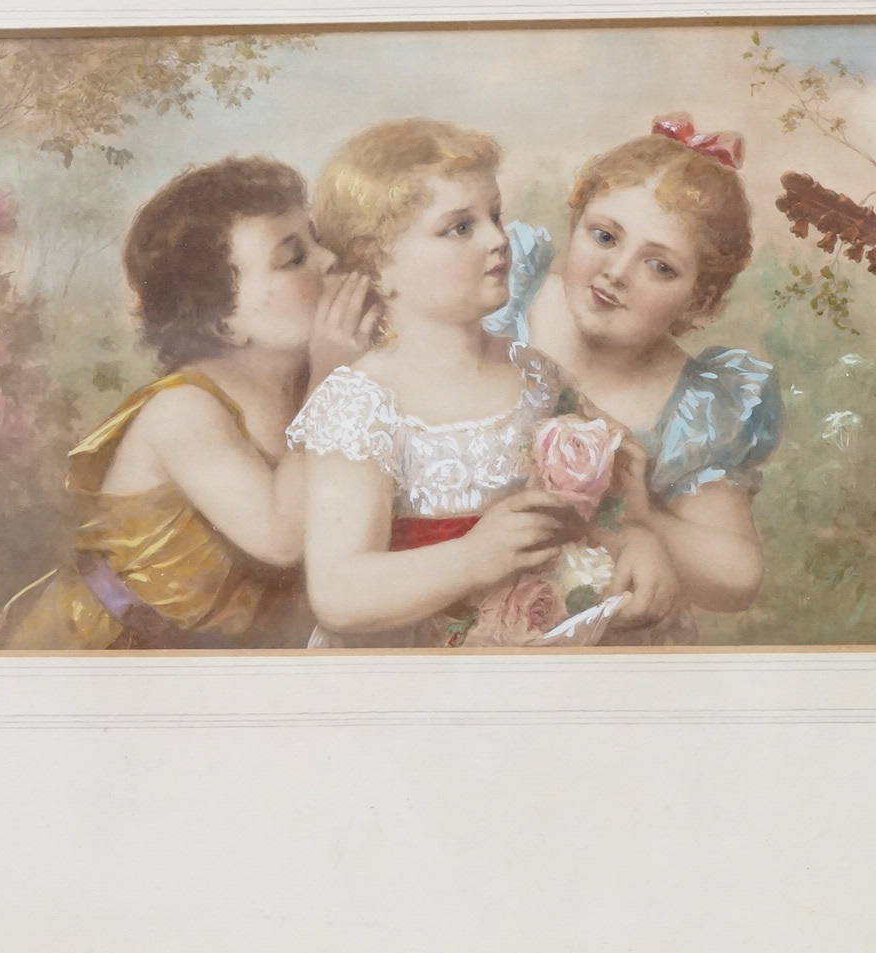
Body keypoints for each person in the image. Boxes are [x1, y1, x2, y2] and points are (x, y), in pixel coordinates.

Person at [287, 118, 677, 646]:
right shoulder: (360, 402)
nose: (497, 239)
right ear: (380, 265)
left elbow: (604, 502)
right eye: (460, 228)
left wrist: (634, 541)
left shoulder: (535, 374)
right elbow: (338, 592)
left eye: (494, 216)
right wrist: (473, 558)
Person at [0, 156, 375, 650]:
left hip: (215, 661)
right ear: (223, 322)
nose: (328, 259)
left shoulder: (312, 383)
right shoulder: (184, 410)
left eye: (315, 240)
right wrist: (331, 381)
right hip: (112, 652)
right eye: (293, 258)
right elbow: (282, 538)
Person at [489, 115, 781, 626]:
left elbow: (738, 579)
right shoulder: (507, 299)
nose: (617, 272)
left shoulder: (697, 405)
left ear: (699, 301)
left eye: (660, 266)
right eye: (604, 236)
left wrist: (644, 517)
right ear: (576, 221)